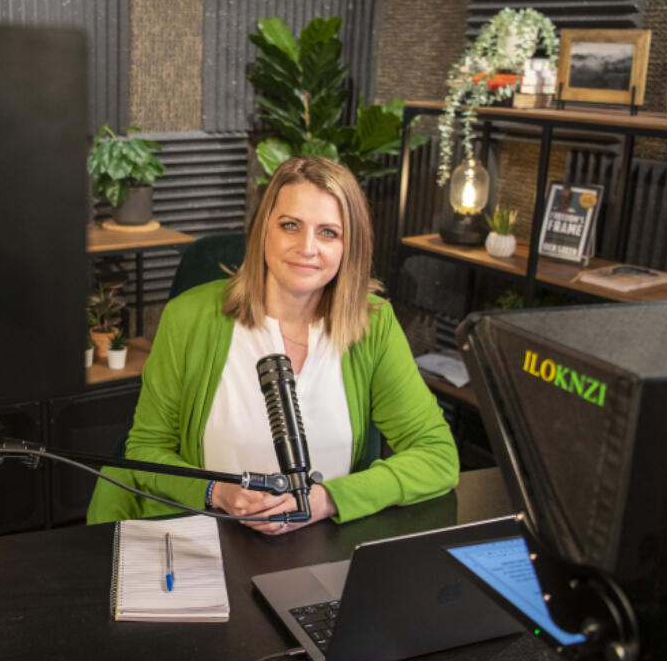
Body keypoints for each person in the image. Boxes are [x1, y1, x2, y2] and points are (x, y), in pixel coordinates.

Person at [87, 156, 458, 534]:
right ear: (263, 230)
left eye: (328, 232)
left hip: (325, 545)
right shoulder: (188, 318)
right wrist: (216, 491)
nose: (307, 247)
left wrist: (327, 499)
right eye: (290, 225)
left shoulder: (372, 325)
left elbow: (437, 455)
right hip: (206, 539)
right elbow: (145, 450)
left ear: (350, 246)